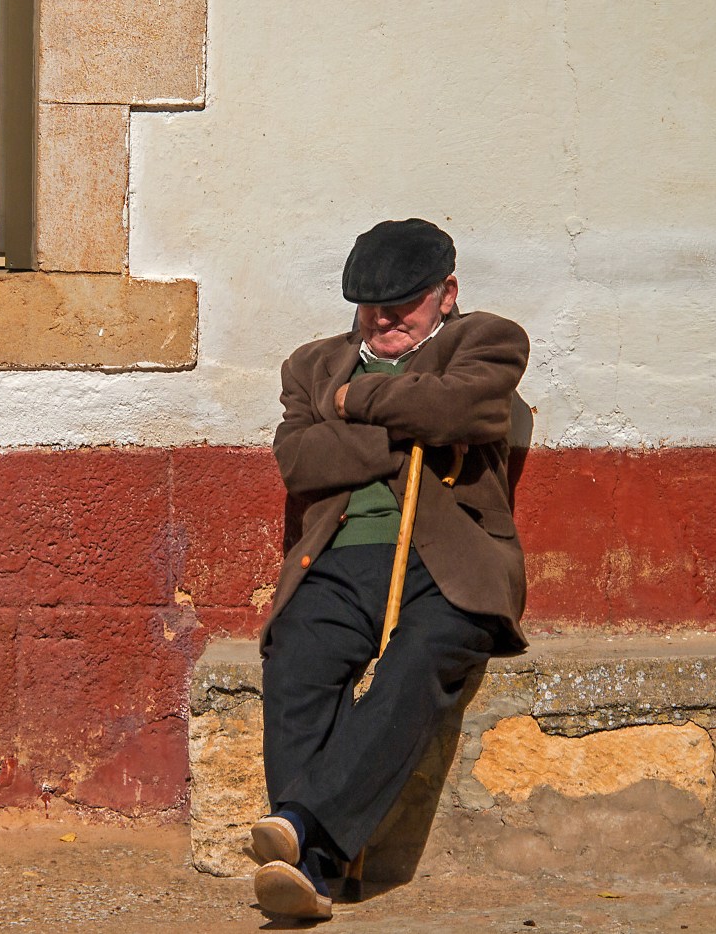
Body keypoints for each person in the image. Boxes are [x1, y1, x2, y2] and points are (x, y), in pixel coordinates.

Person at [250, 218, 529, 921]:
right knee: (296, 659)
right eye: (371, 305)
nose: (384, 318)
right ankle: (313, 868)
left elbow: (463, 411)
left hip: (453, 566)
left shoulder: (486, 341)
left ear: (447, 293)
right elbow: (301, 460)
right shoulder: (313, 365)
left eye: (402, 302)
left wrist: (353, 409)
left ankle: (305, 838)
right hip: (340, 557)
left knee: (420, 661)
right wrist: (412, 426)